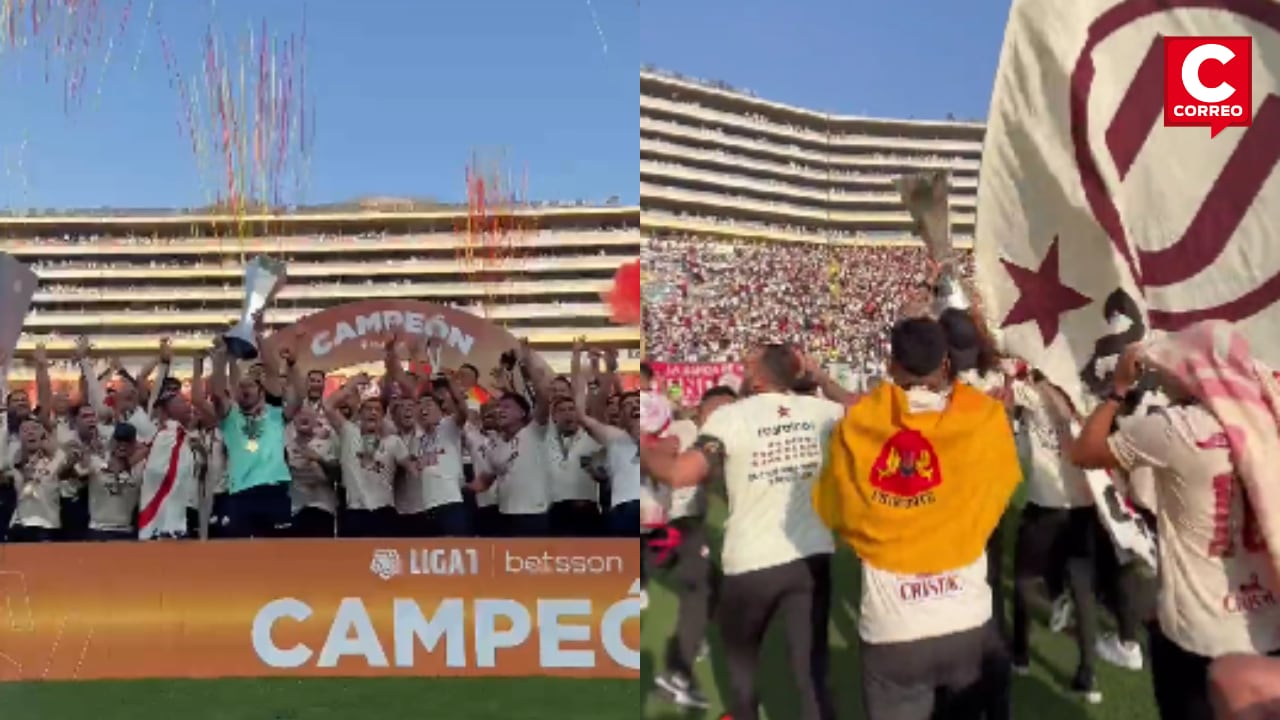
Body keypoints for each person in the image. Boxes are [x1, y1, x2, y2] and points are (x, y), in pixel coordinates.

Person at [814, 317, 1021, 720]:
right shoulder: (983, 419)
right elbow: (1001, 487)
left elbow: (835, 510)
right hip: (967, 616)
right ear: (946, 364)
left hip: (894, 625)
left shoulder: (858, 425)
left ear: (891, 366)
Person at [1068, 337, 1280, 720]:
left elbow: (1085, 451)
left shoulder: (1177, 428)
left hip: (1200, 631)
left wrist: (1118, 390)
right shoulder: (1271, 415)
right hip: (1269, 623)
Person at [643, 342, 840, 720]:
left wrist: (643, 447)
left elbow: (681, 473)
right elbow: (864, 407)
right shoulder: (820, 411)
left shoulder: (732, 417)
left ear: (755, 375)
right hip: (811, 556)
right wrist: (821, 379)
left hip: (752, 562)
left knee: (742, 664)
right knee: (810, 671)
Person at [1008, 369, 1105, 702]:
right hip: (1083, 504)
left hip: (1046, 504)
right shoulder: (1089, 396)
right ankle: (1088, 676)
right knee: (1083, 590)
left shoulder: (1034, 394)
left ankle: (1019, 654)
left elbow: (1004, 395)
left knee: (1024, 580)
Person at [650, 384, 736, 711]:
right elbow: (664, 455)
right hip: (674, 526)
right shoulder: (684, 431)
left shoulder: (722, 440)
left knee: (713, 583)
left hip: (691, 525)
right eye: (718, 410)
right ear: (702, 411)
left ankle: (689, 649)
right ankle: (678, 674)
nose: (723, 417)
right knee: (698, 590)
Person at [204, 324, 294, 539]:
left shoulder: (274, 414)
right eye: (240, 386)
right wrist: (222, 358)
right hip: (240, 494)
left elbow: (272, 371)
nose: (245, 389)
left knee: (278, 559)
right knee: (241, 560)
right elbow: (217, 393)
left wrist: (260, 337)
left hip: (274, 492)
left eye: (250, 385)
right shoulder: (230, 418)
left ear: (261, 391)